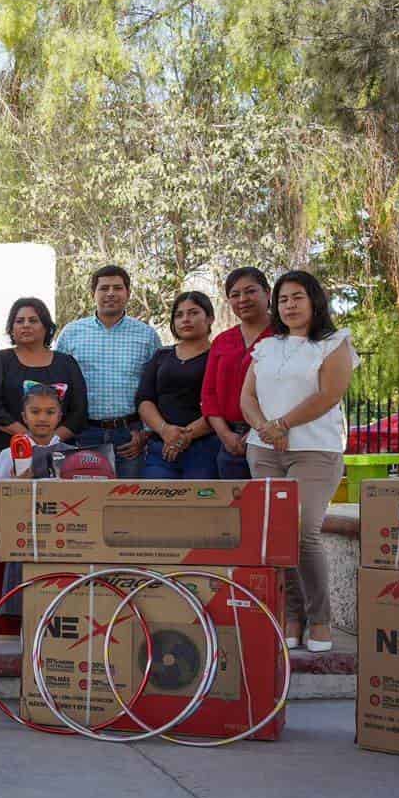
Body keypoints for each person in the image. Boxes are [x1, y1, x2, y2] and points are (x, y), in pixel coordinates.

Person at [241, 270, 358, 654]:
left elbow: (329, 394)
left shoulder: (334, 343)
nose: (289, 306)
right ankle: (292, 616)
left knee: (303, 530)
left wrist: (284, 424)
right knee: (277, 534)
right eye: (284, 299)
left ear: (315, 301)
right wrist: (264, 428)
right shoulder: (267, 346)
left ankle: (320, 618)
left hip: (315, 450)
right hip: (265, 450)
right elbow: (248, 397)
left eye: (298, 298)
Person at [54, 265, 161, 477]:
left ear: (128, 293)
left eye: (117, 288)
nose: (110, 293)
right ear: (93, 293)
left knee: (127, 502)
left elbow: (156, 388)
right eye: (104, 288)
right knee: (85, 503)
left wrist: (145, 434)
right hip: (84, 434)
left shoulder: (147, 336)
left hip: (129, 436)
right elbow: (61, 388)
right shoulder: (71, 333)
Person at [0, 385, 78, 619]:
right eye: (35, 411)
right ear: (24, 416)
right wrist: (17, 487)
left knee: (60, 605)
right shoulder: (7, 455)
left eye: (50, 412)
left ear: (60, 417)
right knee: (26, 606)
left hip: (62, 542)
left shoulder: (73, 455)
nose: (42, 418)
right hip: (24, 540)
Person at [0, 297, 88, 462]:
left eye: (33, 320)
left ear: (46, 327)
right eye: (19, 321)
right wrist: (29, 438)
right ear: (11, 328)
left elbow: (79, 411)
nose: (26, 325)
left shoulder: (66, 363)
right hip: (7, 453)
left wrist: (51, 440)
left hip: (59, 455)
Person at [201, 267, 275, 480]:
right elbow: (209, 394)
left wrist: (259, 431)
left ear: (267, 293)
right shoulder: (222, 341)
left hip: (271, 438)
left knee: (272, 508)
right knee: (235, 510)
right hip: (229, 443)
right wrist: (225, 435)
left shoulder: (283, 336)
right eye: (235, 295)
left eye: (250, 291)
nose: (243, 299)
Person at [137, 292, 219, 480]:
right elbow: (144, 399)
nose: (186, 320)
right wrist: (165, 430)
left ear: (210, 318)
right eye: (179, 315)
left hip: (204, 448)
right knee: (158, 505)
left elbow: (221, 404)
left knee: (198, 506)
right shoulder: (161, 356)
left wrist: (185, 436)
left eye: (193, 313)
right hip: (161, 448)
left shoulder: (219, 356)